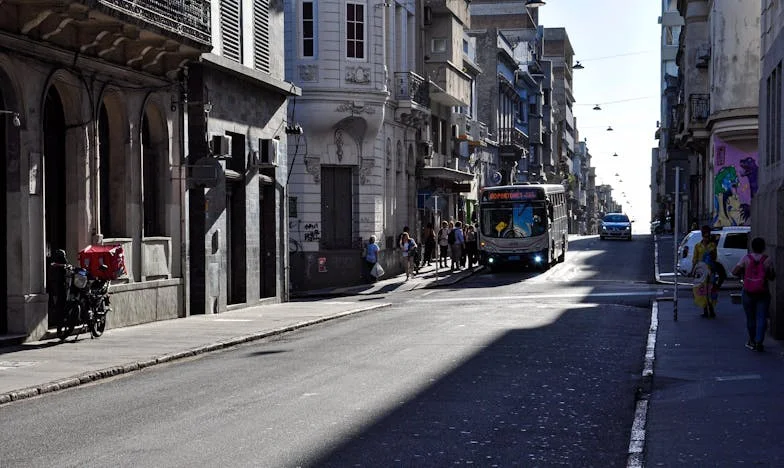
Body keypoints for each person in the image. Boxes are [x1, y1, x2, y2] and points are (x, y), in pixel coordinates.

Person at [732, 237, 776, 352]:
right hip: (763, 292)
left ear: (752, 247)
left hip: (748, 291)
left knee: (750, 318)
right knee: (761, 317)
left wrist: (745, 273)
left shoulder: (746, 258)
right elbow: (772, 277)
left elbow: (734, 271)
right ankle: (759, 342)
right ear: (763, 247)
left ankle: (751, 340)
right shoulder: (767, 260)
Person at [690, 225, 719, 318]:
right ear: (702, 235)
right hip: (701, 271)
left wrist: (712, 251)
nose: (706, 237)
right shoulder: (697, 246)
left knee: (711, 290)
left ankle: (712, 309)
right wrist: (693, 270)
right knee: (702, 290)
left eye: (708, 235)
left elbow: (715, 258)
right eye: (705, 235)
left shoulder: (712, 245)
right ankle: (705, 310)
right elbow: (695, 259)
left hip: (710, 270)